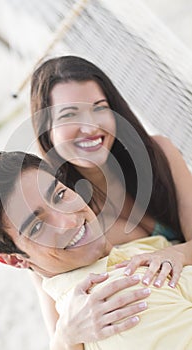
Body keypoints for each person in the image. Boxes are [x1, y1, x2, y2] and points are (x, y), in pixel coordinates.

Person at [0, 151, 192, 350]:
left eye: (59, 195)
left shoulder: (105, 252)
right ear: (15, 261)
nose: (69, 221)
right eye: (38, 226)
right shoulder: (119, 302)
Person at [30, 55, 192, 286]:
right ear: (46, 129)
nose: (90, 127)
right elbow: (58, 317)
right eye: (69, 115)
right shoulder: (53, 211)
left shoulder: (158, 154)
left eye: (99, 108)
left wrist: (176, 254)